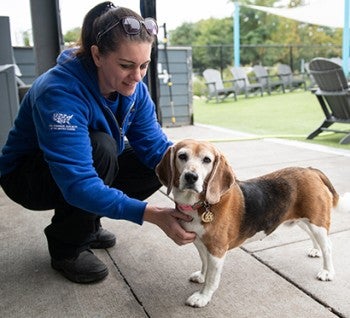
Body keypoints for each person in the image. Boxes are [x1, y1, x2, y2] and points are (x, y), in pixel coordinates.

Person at [0, 2, 196, 284]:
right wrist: (153, 215)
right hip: (27, 177)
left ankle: (88, 222)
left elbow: (155, 149)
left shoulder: (135, 90)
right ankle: (67, 247)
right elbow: (79, 183)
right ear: (97, 55)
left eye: (144, 65)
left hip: (86, 166)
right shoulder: (59, 92)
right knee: (101, 149)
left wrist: (207, 189)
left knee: (164, 163)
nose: (137, 76)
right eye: (126, 65)